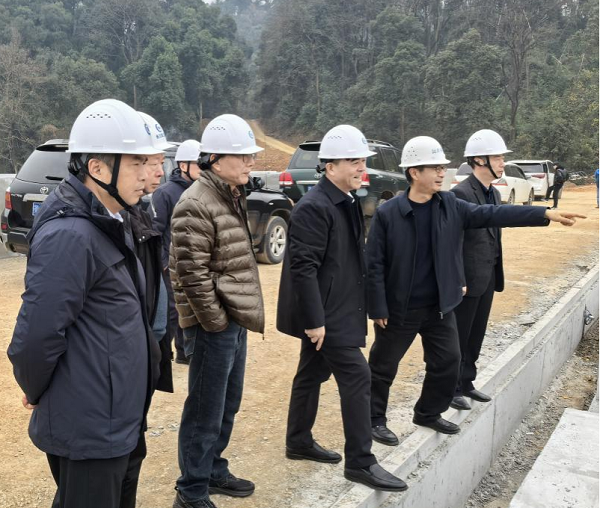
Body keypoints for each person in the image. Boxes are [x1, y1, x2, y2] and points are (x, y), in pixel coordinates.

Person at [367, 136, 585, 443]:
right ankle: (374, 420)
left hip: (439, 306)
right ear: (415, 172)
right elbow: (374, 263)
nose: (442, 173)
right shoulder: (389, 212)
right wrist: (377, 306)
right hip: (400, 308)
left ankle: (427, 412)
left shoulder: (450, 205)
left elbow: (492, 214)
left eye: (443, 167)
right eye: (435, 168)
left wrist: (543, 214)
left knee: (447, 361)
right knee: (383, 366)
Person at [7, 98, 163, 508]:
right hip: (90, 427)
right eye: (135, 163)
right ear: (97, 168)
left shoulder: (111, 218)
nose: (147, 174)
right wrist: (35, 389)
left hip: (117, 417)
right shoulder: (70, 235)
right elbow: (36, 335)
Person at [277, 125, 408, 492]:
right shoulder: (313, 207)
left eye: (362, 160)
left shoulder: (346, 200)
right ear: (330, 166)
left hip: (339, 306)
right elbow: (303, 268)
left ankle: (298, 440)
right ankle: (360, 462)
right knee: (358, 377)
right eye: (354, 161)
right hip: (326, 314)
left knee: (310, 374)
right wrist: (314, 321)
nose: (361, 167)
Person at [170, 114, 265, 508]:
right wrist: (215, 323)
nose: (250, 163)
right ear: (215, 159)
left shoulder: (229, 194)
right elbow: (191, 273)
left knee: (227, 402)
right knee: (204, 409)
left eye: (250, 156)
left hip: (232, 318)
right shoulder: (195, 202)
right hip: (214, 323)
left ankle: (212, 469)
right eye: (242, 156)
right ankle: (191, 490)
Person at [449, 129, 510, 411]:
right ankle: (451, 388)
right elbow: (453, 243)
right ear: (479, 160)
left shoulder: (494, 192)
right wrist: (458, 278)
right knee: (458, 336)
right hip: (467, 279)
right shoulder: (461, 193)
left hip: (487, 275)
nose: (502, 163)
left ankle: (467, 381)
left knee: (476, 333)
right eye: (497, 158)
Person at [128, 110, 175, 393]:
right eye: (151, 163)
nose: (160, 172)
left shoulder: (138, 214)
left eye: (161, 163)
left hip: (145, 353)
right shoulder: (109, 225)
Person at [152, 139, 202, 365]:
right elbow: (155, 230)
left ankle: (184, 353)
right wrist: (164, 262)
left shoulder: (203, 191)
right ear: (183, 166)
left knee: (191, 308)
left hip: (195, 263)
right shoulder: (165, 193)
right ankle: (161, 356)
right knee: (172, 312)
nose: (203, 168)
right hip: (171, 265)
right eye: (198, 164)